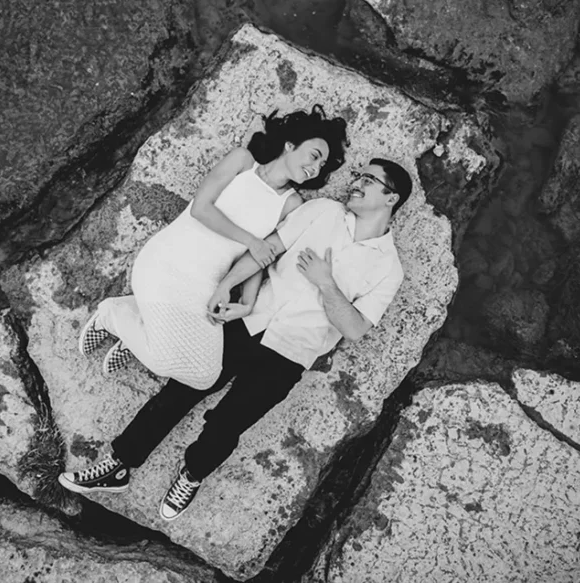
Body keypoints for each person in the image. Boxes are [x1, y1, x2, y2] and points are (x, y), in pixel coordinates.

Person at [59, 158, 413, 522]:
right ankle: (119, 465)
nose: (355, 182)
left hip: (291, 352)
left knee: (228, 423)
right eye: (357, 175)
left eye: (368, 179)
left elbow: (355, 329)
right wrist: (228, 286)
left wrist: (326, 282)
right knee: (180, 390)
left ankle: (192, 475)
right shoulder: (322, 211)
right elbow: (267, 250)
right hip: (248, 320)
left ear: (391, 198)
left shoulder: (388, 268)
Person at [77, 106, 348, 390]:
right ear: (290, 145)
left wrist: (247, 303)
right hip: (168, 263)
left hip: (206, 285)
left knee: (205, 376)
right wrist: (251, 240)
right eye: (314, 156)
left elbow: (258, 257)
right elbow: (200, 209)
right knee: (163, 362)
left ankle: (139, 321)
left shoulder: (292, 205)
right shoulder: (243, 162)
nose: (316, 168)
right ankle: (112, 315)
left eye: (321, 165)